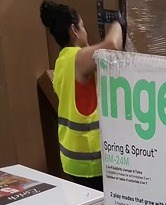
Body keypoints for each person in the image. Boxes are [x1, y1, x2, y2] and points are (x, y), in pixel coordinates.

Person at [40, 1, 126, 191]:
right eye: (83, 26)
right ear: (74, 30)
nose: (86, 32)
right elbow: (111, 46)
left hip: (72, 157)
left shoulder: (62, 61)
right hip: (89, 160)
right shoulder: (77, 58)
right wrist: (118, 23)